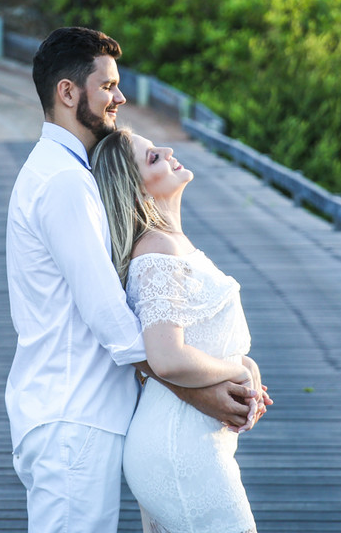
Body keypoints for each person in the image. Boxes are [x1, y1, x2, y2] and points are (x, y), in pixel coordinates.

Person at [5, 27, 259, 533]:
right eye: (107, 86)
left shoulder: (66, 173)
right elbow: (108, 315)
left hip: (78, 413)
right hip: (73, 414)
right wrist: (198, 391)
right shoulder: (63, 181)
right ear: (67, 92)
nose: (120, 97)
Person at [91, 127, 269, 533]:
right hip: (178, 450)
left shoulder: (172, 244)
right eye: (153, 157)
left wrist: (247, 367)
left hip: (190, 444)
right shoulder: (157, 249)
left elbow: (195, 341)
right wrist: (237, 373)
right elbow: (167, 357)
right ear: (137, 191)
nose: (169, 150)